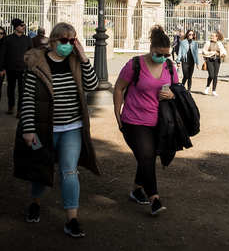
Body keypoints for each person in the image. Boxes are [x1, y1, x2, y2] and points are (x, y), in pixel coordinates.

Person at [16, 22, 99, 237]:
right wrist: (28, 129)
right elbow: (27, 100)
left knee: (69, 171)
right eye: (64, 41)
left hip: (72, 127)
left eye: (72, 41)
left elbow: (92, 86)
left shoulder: (76, 62)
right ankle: (35, 202)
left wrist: (85, 58)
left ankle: (72, 219)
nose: (68, 45)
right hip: (45, 128)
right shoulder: (36, 63)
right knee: (41, 168)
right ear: (53, 41)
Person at [113, 25, 177, 216]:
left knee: (147, 156)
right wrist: (118, 114)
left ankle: (136, 189)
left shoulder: (170, 66)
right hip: (134, 120)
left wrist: (172, 94)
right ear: (151, 48)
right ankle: (154, 198)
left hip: (159, 121)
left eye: (166, 55)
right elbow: (118, 88)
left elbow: (176, 90)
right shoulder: (135, 64)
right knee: (147, 155)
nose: (163, 58)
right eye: (159, 54)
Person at [0, 18, 33, 115]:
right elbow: (3, 54)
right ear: (16, 27)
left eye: (24, 25)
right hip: (11, 69)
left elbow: (31, 54)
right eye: (21, 25)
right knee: (10, 89)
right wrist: (2, 68)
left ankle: (20, 110)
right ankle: (11, 107)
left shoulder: (27, 39)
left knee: (22, 91)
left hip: (23, 69)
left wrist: (31, 66)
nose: (24, 27)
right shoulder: (8, 39)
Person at [202, 32, 226, 96]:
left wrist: (222, 54)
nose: (212, 37)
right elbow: (204, 51)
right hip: (209, 60)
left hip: (217, 60)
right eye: (211, 36)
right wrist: (213, 53)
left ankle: (214, 90)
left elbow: (223, 51)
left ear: (217, 37)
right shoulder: (208, 43)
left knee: (215, 75)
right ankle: (207, 87)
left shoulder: (219, 43)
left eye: (213, 36)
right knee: (211, 75)